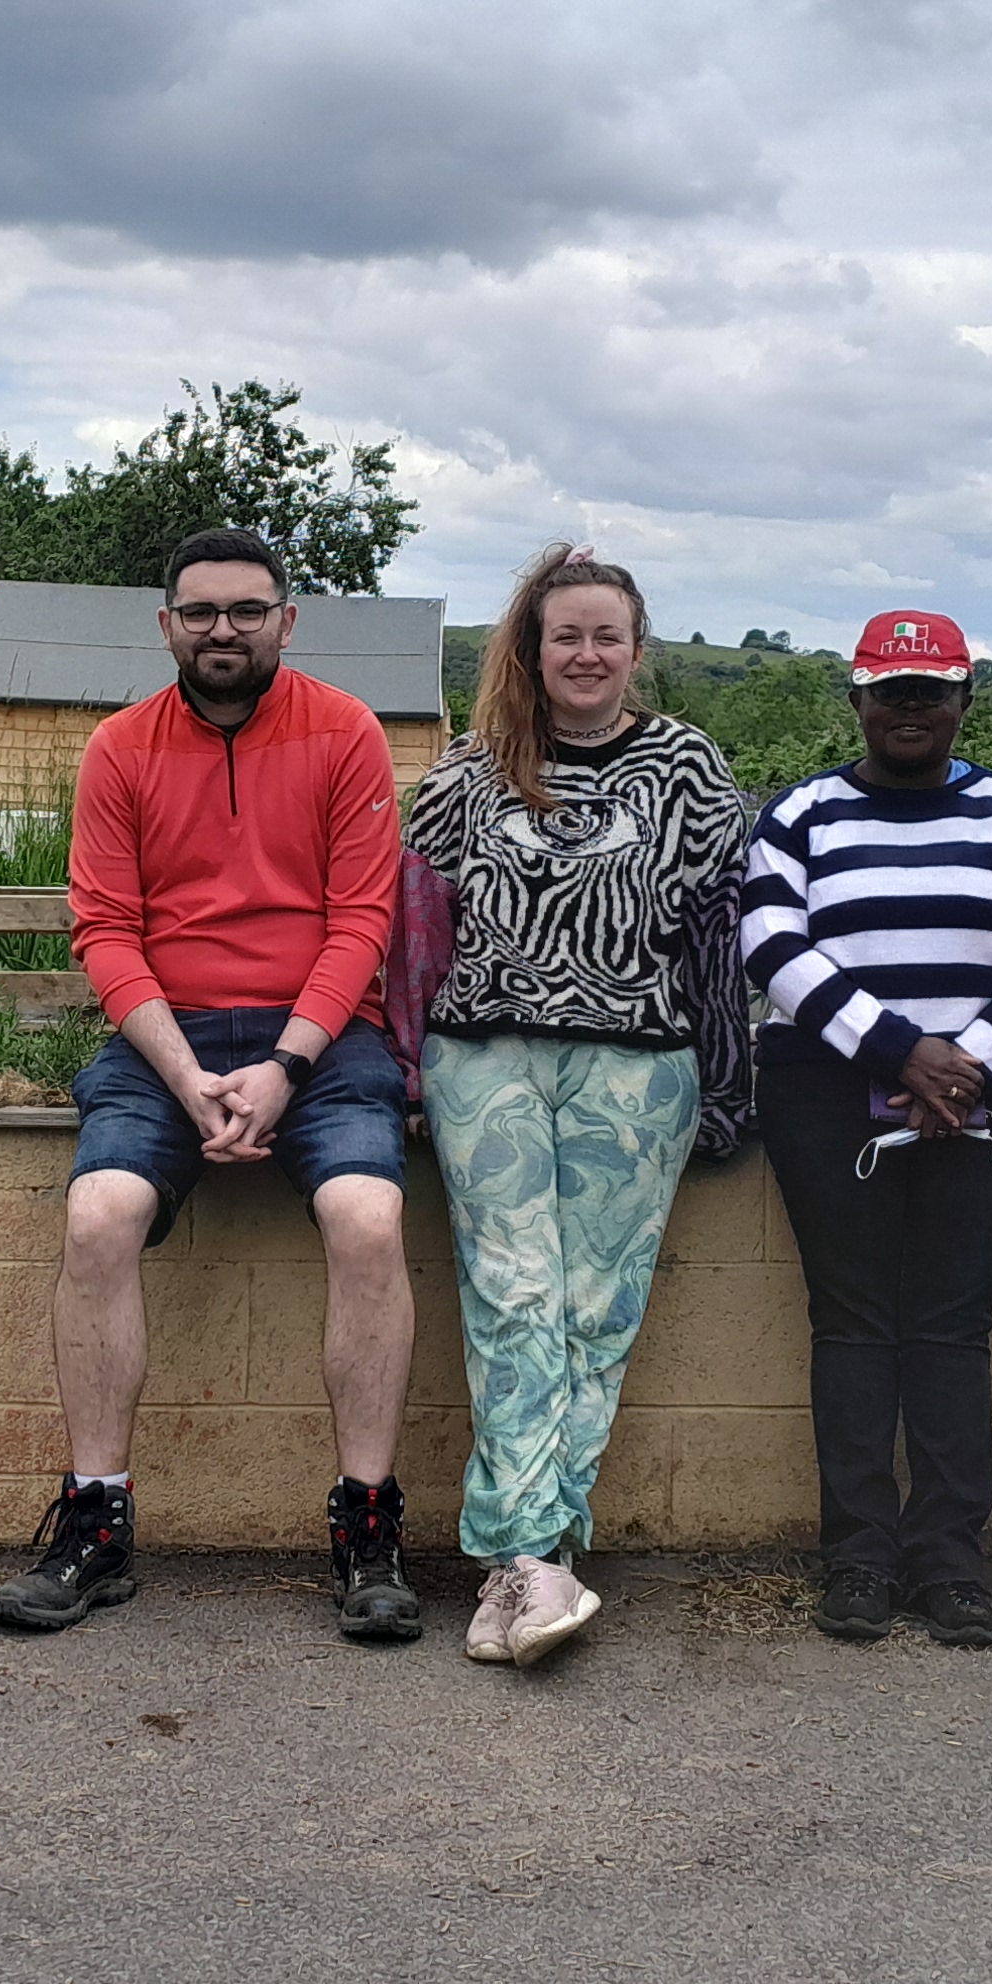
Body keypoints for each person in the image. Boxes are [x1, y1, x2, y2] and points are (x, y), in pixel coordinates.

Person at [0, 527, 424, 1643]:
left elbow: (360, 921)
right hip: (163, 1040)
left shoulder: (347, 736)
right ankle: (97, 1522)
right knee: (98, 1216)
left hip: (321, 1042)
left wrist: (284, 1067)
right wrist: (188, 1078)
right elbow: (106, 928)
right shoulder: (121, 749)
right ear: (166, 626)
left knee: (369, 1218)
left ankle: (368, 1528)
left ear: (289, 618)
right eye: (201, 613)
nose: (222, 630)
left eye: (245, 610)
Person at [395, 546, 750, 1667]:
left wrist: (732, 1081)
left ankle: (524, 1565)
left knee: (597, 1312)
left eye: (607, 636)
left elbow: (722, 935)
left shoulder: (688, 769)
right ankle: (530, 1551)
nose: (586, 654)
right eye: (566, 636)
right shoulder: (467, 773)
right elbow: (414, 935)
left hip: (640, 1065)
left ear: (637, 652)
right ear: (532, 651)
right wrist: (405, 1070)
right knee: (514, 1293)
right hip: (485, 1053)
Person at [738, 610, 992, 1649]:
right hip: (826, 1090)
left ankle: (947, 1562)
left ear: (964, 700)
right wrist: (899, 1051)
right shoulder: (800, 814)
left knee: (950, 1325)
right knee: (849, 1323)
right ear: (856, 700)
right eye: (890, 690)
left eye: (931, 690)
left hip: (985, 1099)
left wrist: (970, 1060)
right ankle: (857, 1558)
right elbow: (770, 941)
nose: (910, 708)